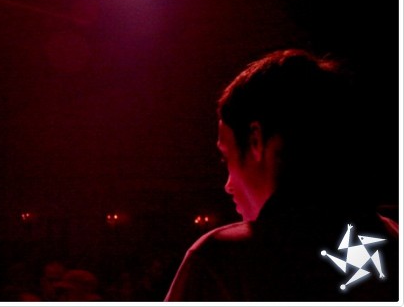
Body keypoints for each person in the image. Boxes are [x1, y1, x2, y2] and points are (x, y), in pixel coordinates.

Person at [165, 49, 399, 301]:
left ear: (255, 141)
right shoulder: (394, 242)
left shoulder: (222, 261)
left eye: (227, 158)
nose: (228, 185)